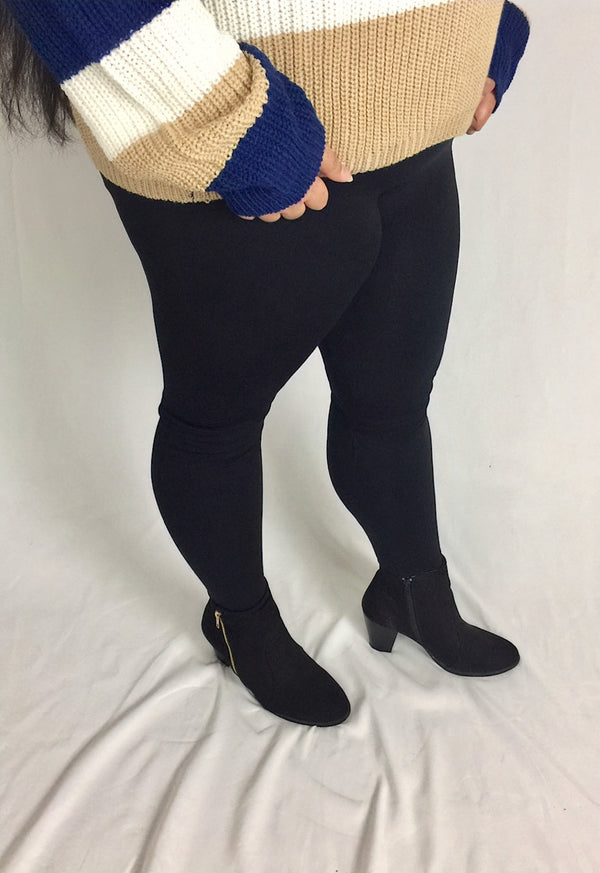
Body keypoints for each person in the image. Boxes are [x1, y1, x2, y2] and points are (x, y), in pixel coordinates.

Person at [1, 0, 529, 727]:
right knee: (215, 423)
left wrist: (486, 26)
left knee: (394, 402)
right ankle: (240, 622)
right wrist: (222, 118)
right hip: (241, 134)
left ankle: (413, 593)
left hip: (422, 119)